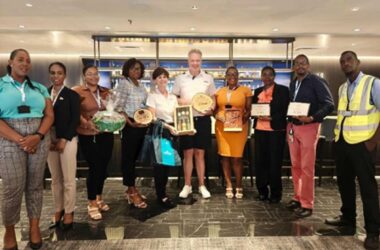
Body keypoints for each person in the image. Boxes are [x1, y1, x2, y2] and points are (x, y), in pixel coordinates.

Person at [325, 51, 380, 250]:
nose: (345, 63)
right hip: (343, 143)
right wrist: (336, 140)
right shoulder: (342, 87)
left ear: (358, 62)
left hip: (363, 144)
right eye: (342, 61)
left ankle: (373, 232)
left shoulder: (373, 83)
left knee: (367, 188)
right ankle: (348, 221)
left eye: (349, 60)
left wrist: (373, 141)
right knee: (344, 184)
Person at [0, 49, 54, 250]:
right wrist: (21, 140)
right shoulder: (0, 85)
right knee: (12, 187)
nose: (25, 63)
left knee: (35, 185)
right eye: (20, 59)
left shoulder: (39, 88)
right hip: (8, 138)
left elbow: (49, 115)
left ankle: (34, 227)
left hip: (39, 137)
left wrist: (37, 136)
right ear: (11, 62)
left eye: (28, 60)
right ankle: (10, 231)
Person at [286, 54, 334, 218]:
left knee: (307, 167)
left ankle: (307, 203)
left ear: (308, 65)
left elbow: (329, 104)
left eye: (303, 63)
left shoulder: (317, 81)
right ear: (293, 67)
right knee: (296, 166)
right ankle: (297, 197)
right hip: (293, 127)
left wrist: (313, 117)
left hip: (309, 127)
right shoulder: (293, 83)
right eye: (297, 64)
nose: (300, 66)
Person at [172, 49, 216, 199]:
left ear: (201, 61)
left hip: (203, 120)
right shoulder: (180, 79)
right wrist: (186, 102)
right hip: (186, 119)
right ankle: (187, 185)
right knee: (187, 153)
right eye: (193, 60)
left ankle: (202, 185)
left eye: (198, 60)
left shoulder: (208, 78)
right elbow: (174, 98)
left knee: (200, 154)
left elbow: (213, 99)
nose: (195, 63)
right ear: (188, 61)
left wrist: (211, 109)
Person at [72, 65, 114, 220]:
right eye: (89, 74)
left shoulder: (105, 91)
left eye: (96, 74)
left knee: (103, 168)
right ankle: (91, 203)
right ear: (84, 76)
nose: (93, 77)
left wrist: (110, 109)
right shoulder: (77, 91)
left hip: (106, 134)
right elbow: (74, 111)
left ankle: (99, 198)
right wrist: (85, 123)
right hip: (88, 135)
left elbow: (112, 109)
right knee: (95, 167)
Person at [47, 62, 80, 230]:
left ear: (64, 75)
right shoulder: (43, 93)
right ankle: (58, 209)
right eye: (52, 73)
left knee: (68, 179)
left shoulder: (71, 95)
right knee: (55, 178)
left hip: (67, 139)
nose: (56, 76)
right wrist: (47, 139)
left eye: (59, 73)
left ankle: (69, 211)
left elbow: (75, 120)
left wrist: (63, 139)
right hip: (48, 138)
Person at [114, 58, 148, 208]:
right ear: (127, 70)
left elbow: (144, 105)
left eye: (139, 69)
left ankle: (131, 189)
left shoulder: (140, 85)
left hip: (141, 126)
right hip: (130, 127)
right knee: (128, 160)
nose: (137, 71)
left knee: (134, 159)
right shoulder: (124, 84)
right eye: (134, 68)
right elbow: (118, 107)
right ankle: (132, 191)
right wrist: (130, 123)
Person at [252, 66, 289, 203]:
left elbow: (285, 109)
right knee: (260, 162)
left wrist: (272, 118)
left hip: (276, 132)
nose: (267, 77)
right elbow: (253, 109)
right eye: (264, 75)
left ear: (274, 76)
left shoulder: (283, 91)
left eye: (270, 75)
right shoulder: (257, 91)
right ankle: (262, 191)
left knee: (274, 163)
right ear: (261, 77)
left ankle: (275, 194)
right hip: (260, 130)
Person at [214, 66, 252, 199]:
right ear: (225, 76)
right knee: (225, 156)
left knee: (237, 157)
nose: (232, 76)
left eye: (234, 74)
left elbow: (249, 110)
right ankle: (229, 185)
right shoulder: (219, 91)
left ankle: (239, 185)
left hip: (239, 128)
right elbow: (214, 110)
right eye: (229, 74)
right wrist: (219, 116)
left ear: (238, 76)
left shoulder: (245, 91)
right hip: (222, 128)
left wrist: (240, 121)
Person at [146, 67, 179, 208]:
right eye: (159, 77)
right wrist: (169, 127)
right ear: (155, 80)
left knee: (167, 164)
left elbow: (177, 115)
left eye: (164, 77)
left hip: (171, 131)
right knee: (160, 165)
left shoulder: (172, 97)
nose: (162, 79)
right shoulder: (152, 96)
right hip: (159, 131)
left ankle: (163, 192)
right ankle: (161, 195)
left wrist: (183, 127)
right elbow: (152, 118)